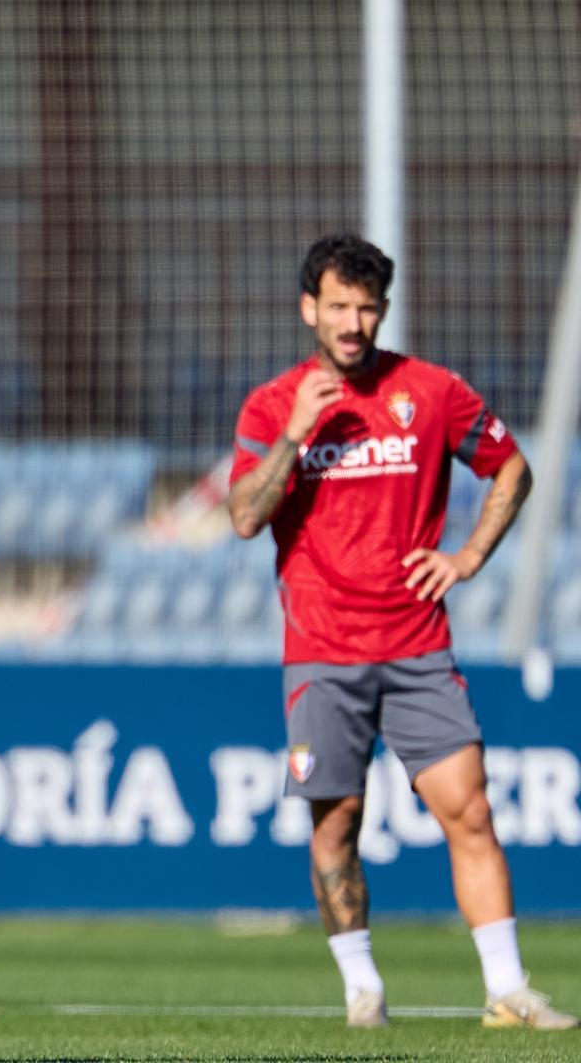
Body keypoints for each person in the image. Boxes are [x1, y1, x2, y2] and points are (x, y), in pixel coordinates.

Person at [228, 233, 574, 1031]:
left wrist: (469, 556)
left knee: (471, 810)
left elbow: (512, 467)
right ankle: (363, 992)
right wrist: (296, 435)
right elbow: (244, 517)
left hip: (417, 645)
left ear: (382, 309)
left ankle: (508, 990)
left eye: (367, 308)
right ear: (309, 308)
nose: (353, 323)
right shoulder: (273, 405)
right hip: (321, 650)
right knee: (335, 823)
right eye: (338, 306)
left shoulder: (430, 391)